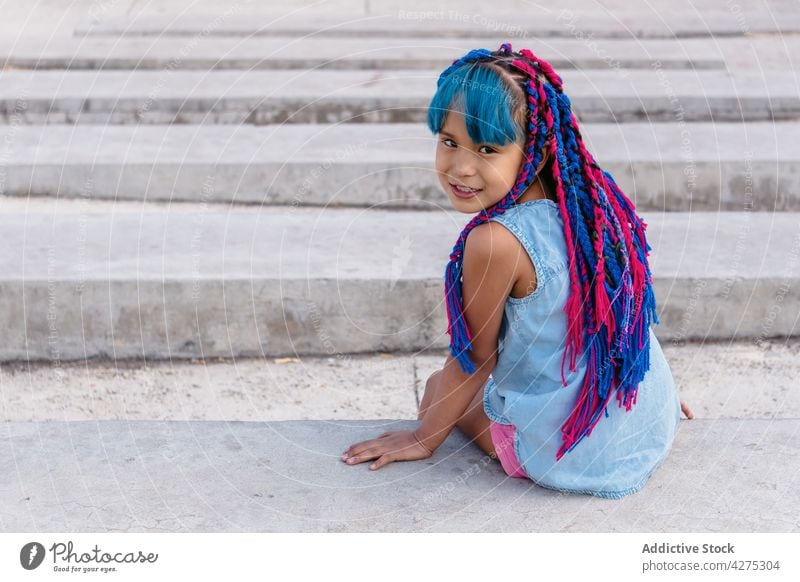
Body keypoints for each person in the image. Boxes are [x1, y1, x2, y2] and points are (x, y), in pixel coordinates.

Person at [341, 43, 694, 499]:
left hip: (583, 453)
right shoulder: (591, 207)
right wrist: (653, 396)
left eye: (487, 147)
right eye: (449, 141)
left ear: (537, 151)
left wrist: (424, 436)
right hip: (644, 411)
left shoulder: (494, 242)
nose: (461, 167)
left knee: (435, 392)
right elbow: (624, 309)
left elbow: (475, 360)